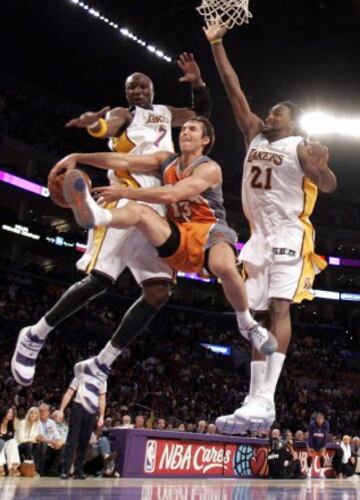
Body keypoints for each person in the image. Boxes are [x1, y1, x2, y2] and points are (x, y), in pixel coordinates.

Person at [11, 54, 210, 389]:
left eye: (142, 85)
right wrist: (95, 125)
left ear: (152, 88)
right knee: (101, 280)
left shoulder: (164, 113)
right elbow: (107, 126)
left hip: (159, 204)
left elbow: (200, 117)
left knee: (159, 292)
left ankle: (100, 364)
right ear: (126, 93)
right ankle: (34, 335)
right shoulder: (123, 114)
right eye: (130, 87)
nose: (136, 91)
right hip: (126, 193)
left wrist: (198, 84)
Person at [54, 115, 276, 410]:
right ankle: (97, 216)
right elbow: (120, 161)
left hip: (211, 231)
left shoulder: (209, 168)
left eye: (192, 129)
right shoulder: (164, 159)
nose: (185, 131)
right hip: (179, 234)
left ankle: (246, 322)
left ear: (204, 140)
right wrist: (78, 156)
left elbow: (174, 193)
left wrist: (124, 191)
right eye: (183, 128)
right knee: (141, 213)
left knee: (225, 266)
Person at [202, 19, 337, 434]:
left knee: (279, 308)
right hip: (258, 235)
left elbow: (330, 186)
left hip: (289, 234)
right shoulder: (253, 135)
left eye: (277, 112)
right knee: (254, 316)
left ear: (292, 123)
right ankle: (253, 403)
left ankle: (266, 399)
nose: (269, 113)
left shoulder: (301, 147)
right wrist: (217, 42)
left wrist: (322, 165)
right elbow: (232, 86)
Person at [59, 376, 106, 479]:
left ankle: (78, 470)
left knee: (84, 441)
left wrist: (102, 416)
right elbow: (69, 393)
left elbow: (102, 398)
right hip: (78, 407)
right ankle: (65, 470)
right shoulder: (79, 376)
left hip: (91, 410)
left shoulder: (102, 380)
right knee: (72, 440)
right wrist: (61, 409)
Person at [37, 403, 64, 476]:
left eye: (45, 411)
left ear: (48, 412)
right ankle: (40, 470)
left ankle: (53, 470)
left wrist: (58, 441)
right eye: (41, 411)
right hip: (41, 444)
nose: (43, 413)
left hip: (51, 444)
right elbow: (40, 438)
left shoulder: (51, 422)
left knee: (61, 446)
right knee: (44, 445)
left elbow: (56, 435)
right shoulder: (37, 422)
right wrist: (52, 442)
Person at [15, 407, 42, 473]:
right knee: (29, 444)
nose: (33, 415)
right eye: (31, 412)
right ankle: (28, 467)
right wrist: (34, 439)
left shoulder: (38, 424)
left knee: (38, 445)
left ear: (37, 416)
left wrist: (37, 439)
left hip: (30, 445)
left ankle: (35, 468)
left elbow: (38, 438)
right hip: (18, 446)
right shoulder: (22, 423)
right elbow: (21, 439)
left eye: (35, 413)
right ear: (28, 414)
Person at [307, 413, 329, 478]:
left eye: (321, 419)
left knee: (322, 456)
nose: (319, 421)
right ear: (316, 419)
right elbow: (310, 436)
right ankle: (309, 472)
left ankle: (321, 473)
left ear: (323, 419)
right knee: (310, 456)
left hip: (321, 441)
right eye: (318, 419)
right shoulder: (312, 424)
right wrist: (311, 446)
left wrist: (323, 446)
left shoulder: (326, 424)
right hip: (313, 441)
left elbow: (325, 436)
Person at [0, 407, 20, 476]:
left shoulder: (11, 424)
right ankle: (0, 467)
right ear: (3, 413)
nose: (11, 414)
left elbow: (12, 438)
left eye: (11, 412)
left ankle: (12, 468)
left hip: (6, 444)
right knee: (1, 443)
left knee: (12, 442)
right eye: (9, 412)